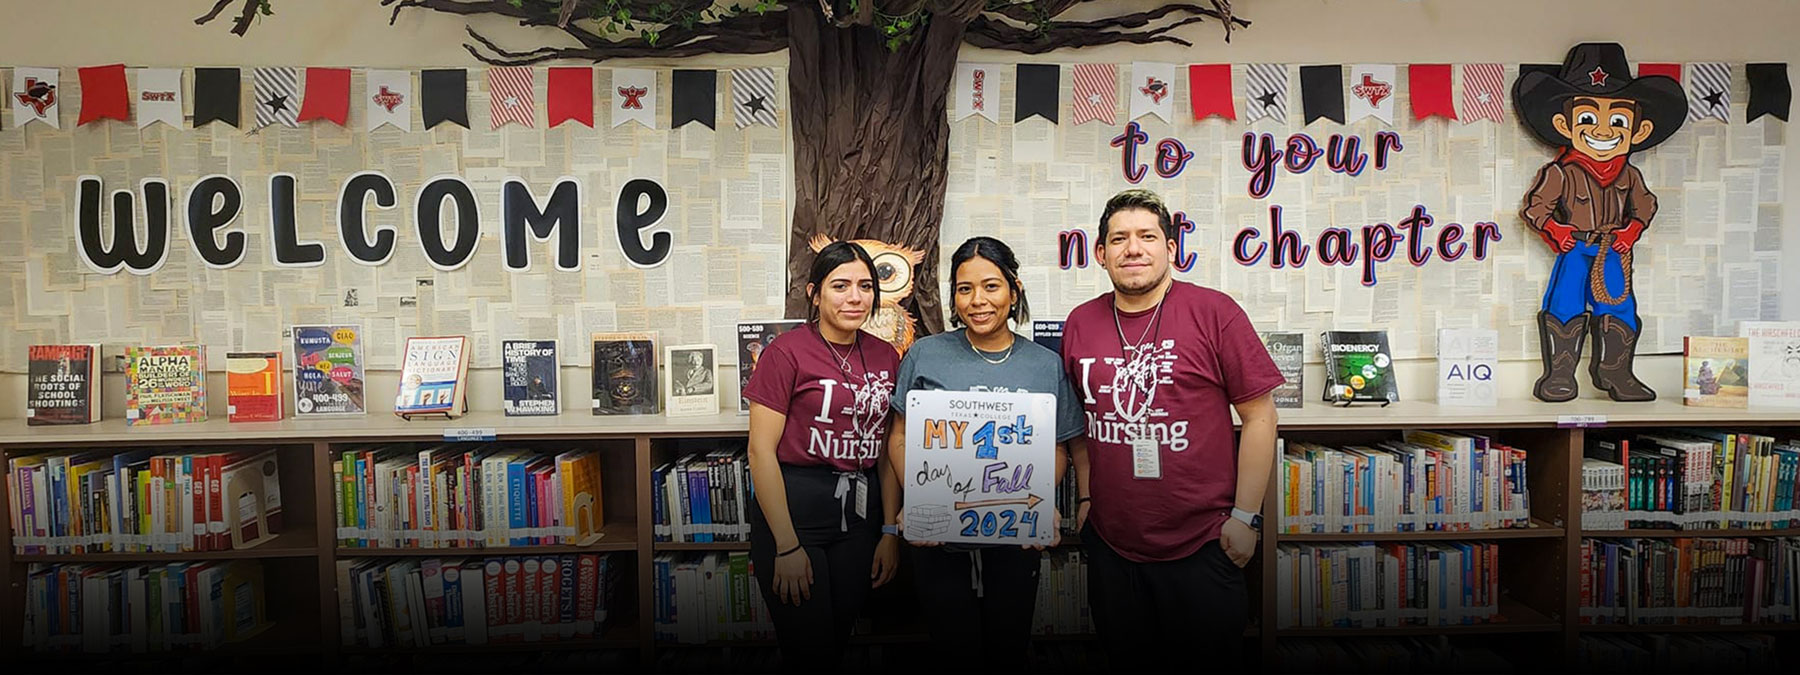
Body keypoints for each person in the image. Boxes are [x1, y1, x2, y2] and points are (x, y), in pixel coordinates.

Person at [1061, 188, 1283, 670]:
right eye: (1119, 239)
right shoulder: (1080, 322)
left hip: (1204, 543)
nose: (1133, 248)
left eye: (1147, 236)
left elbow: (1261, 417)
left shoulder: (1214, 312)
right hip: (1112, 543)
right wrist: (1085, 498)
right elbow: (1078, 423)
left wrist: (1245, 519)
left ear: (1171, 248)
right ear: (1100, 253)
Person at [885, 237, 1083, 668]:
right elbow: (898, 437)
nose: (978, 300)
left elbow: (1058, 448)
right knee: (952, 645)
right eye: (964, 288)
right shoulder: (924, 354)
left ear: (1014, 291)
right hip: (936, 529)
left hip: (1015, 529)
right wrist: (916, 497)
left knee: (1008, 644)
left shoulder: (1044, 364)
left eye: (991, 287)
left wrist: (1039, 500)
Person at [742, 241, 902, 672]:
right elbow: (760, 452)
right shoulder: (786, 352)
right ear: (814, 293)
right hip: (796, 516)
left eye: (865, 286)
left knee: (836, 640)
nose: (855, 297)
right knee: (808, 649)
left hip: (859, 520)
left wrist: (888, 530)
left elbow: (886, 451)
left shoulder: (886, 355)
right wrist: (787, 545)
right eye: (841, 285)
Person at [1515, 43, 1685, 402]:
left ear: (1638, 131)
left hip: (1613, 250)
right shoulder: (1561, 173)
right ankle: (1560, 374)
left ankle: (1616, 372)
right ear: (1564, 125)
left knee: (1619, 307)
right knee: (1565, 304)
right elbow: (1536, 208)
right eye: (1589, 119)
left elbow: (1645, 205)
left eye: (1618, 122)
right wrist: (1557, 230)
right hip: (1575, 246)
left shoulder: (1629, 174)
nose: (1604, 132)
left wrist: (1632, 231)